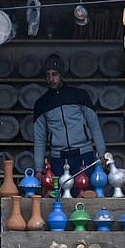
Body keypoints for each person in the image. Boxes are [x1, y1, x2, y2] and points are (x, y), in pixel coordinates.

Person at [33, 53, 106, 182]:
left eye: (54, 74)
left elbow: (94, 127)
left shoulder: (80, 95)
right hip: (58, 159)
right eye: (47, 75)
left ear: (61, 75)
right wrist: (38, 169)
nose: (51, 79)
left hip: (84, 155)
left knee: (86, 196)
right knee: (61, 198)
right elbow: (39, 139)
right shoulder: (41, 103)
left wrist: (102, 154)